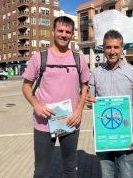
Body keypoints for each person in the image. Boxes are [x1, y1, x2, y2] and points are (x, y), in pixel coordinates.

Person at [22, 16, 90, 178]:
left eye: (68, 32)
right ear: (53, 31)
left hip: (70, 120)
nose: (64, 34)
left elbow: (85, 86)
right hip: (44, 123)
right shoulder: (39, 58)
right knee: (42, 171)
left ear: (72, 34)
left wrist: (79, 110)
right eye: (60, 30)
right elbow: (26, 86)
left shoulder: (78, 59)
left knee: (70, 168)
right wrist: (36, 105)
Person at [86, 30, 133, 178]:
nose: (112, 51)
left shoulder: (132, 72)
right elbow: (90, 101)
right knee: (107, 175)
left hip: (126, 134)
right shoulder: (96, 73)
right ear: (103, 48)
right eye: (108, 47)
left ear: (122, 48)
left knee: (126, 175)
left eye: (116, 47)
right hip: (103, 134)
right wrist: (89, 101)